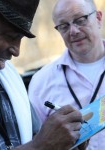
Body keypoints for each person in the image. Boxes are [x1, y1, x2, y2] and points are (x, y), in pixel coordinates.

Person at [0, 0, 84, 150]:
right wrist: (40, 146)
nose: (17, 51)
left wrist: (65, 142)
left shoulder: (8, 77)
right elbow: (38, 144)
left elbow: (33, 138)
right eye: (10, 36)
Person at [29, 0, 105, 149]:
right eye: (64, 26)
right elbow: (37, 141)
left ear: (98, 18)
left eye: (80, 20)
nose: (73, 31)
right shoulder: (41, 81)